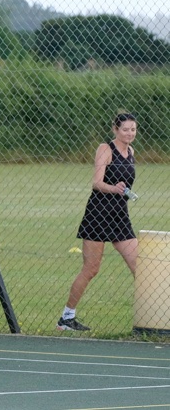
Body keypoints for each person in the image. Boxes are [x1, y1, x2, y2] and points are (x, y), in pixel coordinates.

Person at [61, 112, 139, 331]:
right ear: (115, 129)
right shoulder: (105, 149)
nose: (130, 133)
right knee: (91, 269)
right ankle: (66, 318)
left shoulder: (131, 151)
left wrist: (124, 191)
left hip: (120, 216)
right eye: (125, 129)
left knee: (140, 267)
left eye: (133, 129)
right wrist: (114, 188)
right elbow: (96, 183)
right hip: (99, 213)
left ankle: (150, 320)